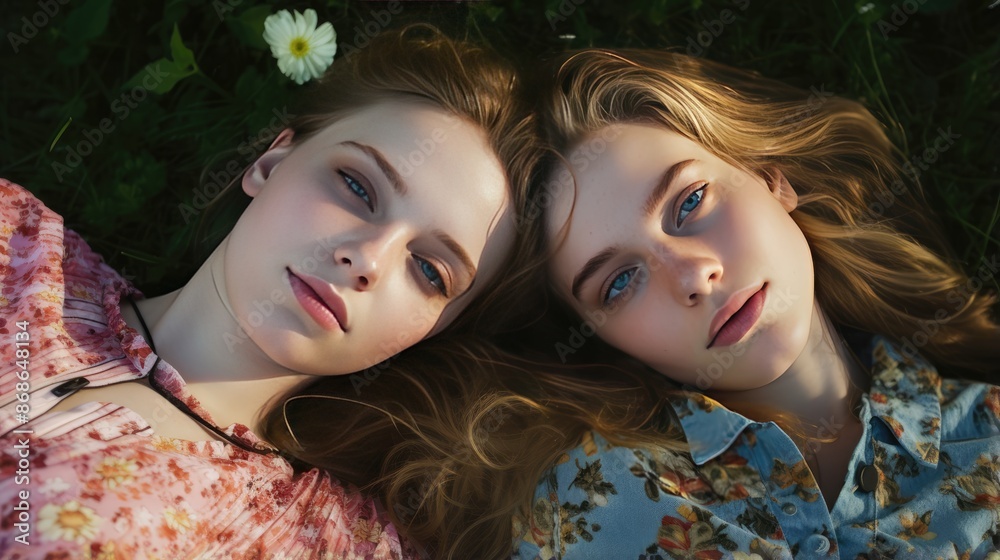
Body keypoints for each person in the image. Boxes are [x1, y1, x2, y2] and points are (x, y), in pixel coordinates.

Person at [0, 26, 541, 559]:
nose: (368, 260)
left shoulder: (328, 543)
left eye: (428, 271)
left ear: (438, 328)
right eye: (357, 186)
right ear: (272, 163)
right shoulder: (15, 239)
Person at [502, 48, 1000, 558]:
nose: (693, 275)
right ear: (601, 337)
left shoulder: (991, 438)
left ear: (770, 178)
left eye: (690, 201)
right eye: (619, 282)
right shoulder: (576, 508)